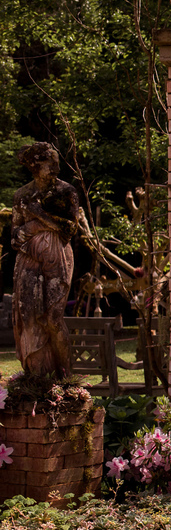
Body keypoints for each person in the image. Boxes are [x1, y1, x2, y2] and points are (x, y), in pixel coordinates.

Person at [11, 141, 81, 378]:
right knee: (29, 316)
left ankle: (65, 377)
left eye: (57, 163)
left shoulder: (66, 192)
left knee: (53, 318)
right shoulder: (22, 195)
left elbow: (70, 229)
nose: (56, 168)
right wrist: (31, 228)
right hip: (28, 260)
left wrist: (40, 216)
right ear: (34, 165)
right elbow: (14, 237)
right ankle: (36, 376)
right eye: (50, 163)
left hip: (57, 258)